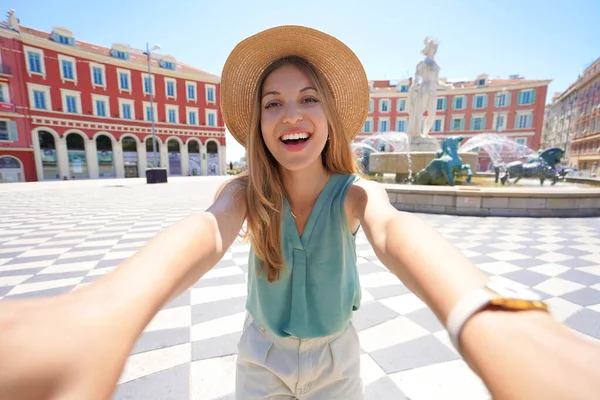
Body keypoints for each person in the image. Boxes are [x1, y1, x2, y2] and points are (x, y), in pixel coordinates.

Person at [0, 25, 599, 400]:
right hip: (262, 357)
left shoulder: (356, 192)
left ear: (330, 116)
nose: (292, 114)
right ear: (257, 124)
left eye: (309, 99)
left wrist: (492, 313)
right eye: (274, 102)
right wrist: (104, 307)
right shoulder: (246, 195)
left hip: (338, 360)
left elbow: (396, 234)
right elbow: (202, 237)